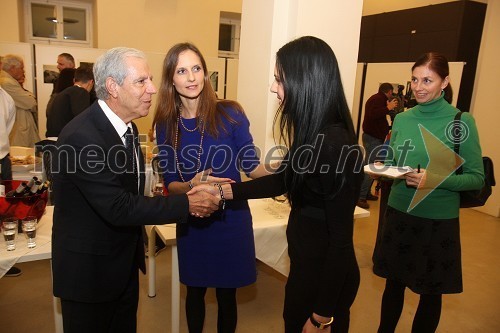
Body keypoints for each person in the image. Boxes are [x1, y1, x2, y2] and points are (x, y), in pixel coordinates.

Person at [191, 36, 364, 333]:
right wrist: (222, 191)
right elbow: (281, 181)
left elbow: (341, 244)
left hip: (324, 286)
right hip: (305, 271)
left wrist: (322, 317)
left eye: (279, 80)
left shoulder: (334, 146)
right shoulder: (313, 134)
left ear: (305, 81)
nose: (273, 87)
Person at [51, 47, 221, 333]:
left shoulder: (127, 129)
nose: (153, 89)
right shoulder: (82, 137)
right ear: (113, 87)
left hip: (122, 266)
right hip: (90, 274)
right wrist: (188, 203)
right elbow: (119, 206)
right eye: (142, 81)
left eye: (151, 80)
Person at [152, 42, 272, 333]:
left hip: (231, 219)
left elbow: (252, 165)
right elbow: (172, 184)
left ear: (206, 74)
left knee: (227, 294)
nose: (191, 77)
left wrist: (287, 169)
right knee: (194, 291)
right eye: (182, 71)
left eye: (197, 69)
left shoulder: (230, 113)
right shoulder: (166, 125)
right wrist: (193, 184)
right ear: (171, 79)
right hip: (193, 220)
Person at [372, 52, 484, 333]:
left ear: (445, 82)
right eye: (415, 79)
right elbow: (393, 159)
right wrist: (383, 167)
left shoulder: (461, 121)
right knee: (393, 286)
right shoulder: (402, 119)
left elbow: (475, 178)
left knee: (430, 294)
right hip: (398, 213)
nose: (419, 86)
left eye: (428, 80)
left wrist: (433, 179)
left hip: (437, 222)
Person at [358, 82, 398, 209]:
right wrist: (388, 108)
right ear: (389, 92)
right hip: (373, 139)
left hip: (373, 138)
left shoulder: (377, 99)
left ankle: (366, 193)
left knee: (370, 166)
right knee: (372, 168)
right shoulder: (378, 99)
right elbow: (373, 114)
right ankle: (360, 197)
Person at [0, 56, 22, 278]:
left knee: (4, 207)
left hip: (2, 158)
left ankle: (4, 260)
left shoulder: (5, 97)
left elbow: (7, 126)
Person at [0, 54, 39, 147]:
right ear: (12, 68)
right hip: (18, 130)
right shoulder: (7, 83)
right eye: (21, 68)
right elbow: (31, 103)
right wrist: (30, 96)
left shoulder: (10, 81)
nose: (23, 71)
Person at [46, 66, 94, 137]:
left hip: (54, 137)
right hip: (64, 139)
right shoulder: (81, 92)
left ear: (74, 80)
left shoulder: (64, 93)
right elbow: (83, 120)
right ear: (91, 82)